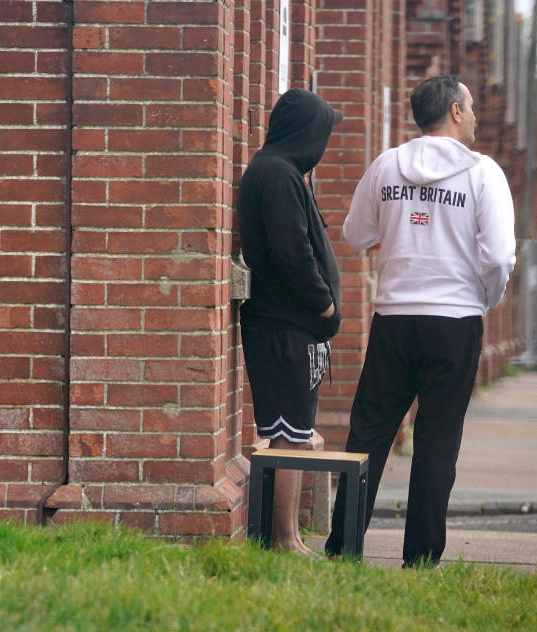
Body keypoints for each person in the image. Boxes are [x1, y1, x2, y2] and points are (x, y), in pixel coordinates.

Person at [324, 75, 517, 567]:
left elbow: (354, 233)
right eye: (470, 106)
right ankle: (421, 559)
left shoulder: (387, 165)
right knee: (437, 441)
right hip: (454, 321)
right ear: (454, 110)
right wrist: (486, 298)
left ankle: (343, 547)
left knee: (368, 433)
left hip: (394, 318)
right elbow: (498, 255)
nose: (474, 115)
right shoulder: (482, 173)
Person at [237, 89, 343, 553]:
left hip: (288, 326)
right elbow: (291, 252)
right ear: (307, 132)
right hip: (282, 326)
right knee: (286, 437)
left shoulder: (281, 171)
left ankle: (291, 535)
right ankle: (283, 539)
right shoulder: (277, 175)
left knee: (295, 435)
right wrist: (323, 304)